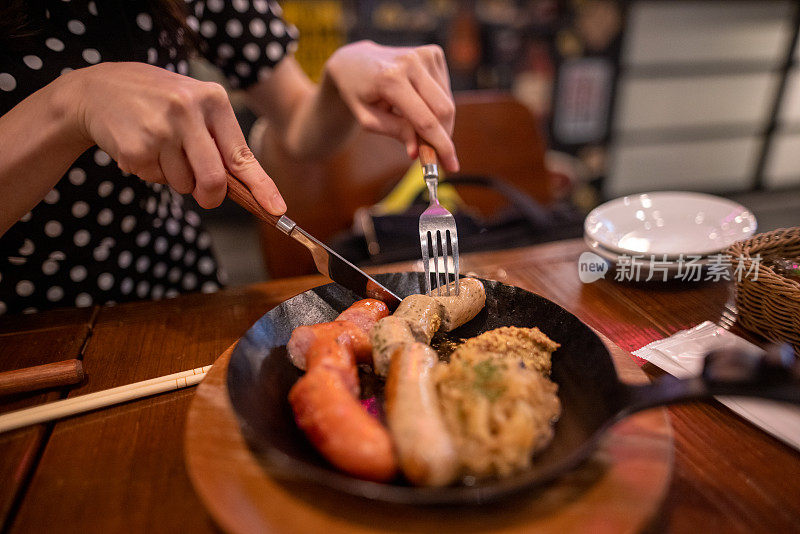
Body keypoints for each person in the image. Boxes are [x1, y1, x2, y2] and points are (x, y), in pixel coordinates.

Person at [0, 0, 458, 315]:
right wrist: (69, 103)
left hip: (177, 293)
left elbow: (298, 125)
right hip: (21, 323)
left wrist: (338, 83)